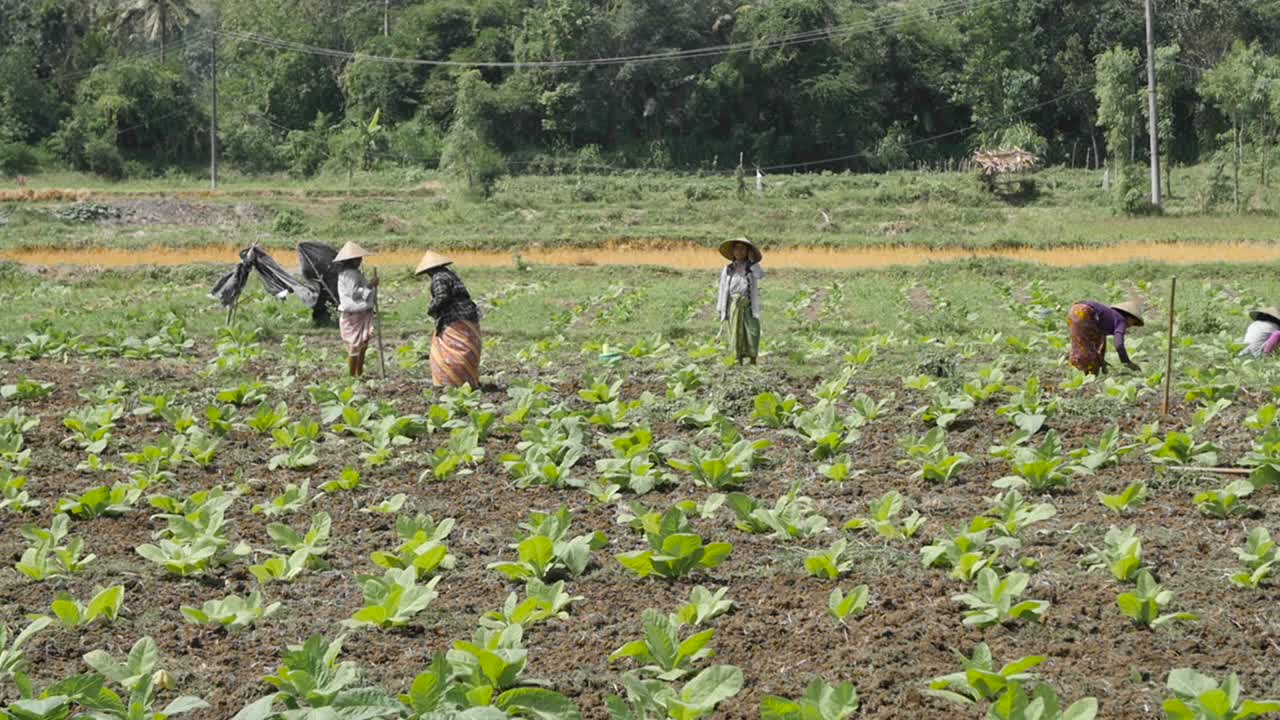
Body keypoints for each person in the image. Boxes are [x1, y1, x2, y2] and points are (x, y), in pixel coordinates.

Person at [416, 251, 482, 387]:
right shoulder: (450, 274)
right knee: (466, 347)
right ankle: (467, 380)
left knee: (452, 351)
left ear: (430, 270)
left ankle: (451, 381)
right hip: (469, 314)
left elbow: (442, 297)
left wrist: (431, 308)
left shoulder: (438, 277)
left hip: (454, 317)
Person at [716, 237, 765, 364]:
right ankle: (738, 359)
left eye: (743, 249)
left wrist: (752, 263)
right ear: (733, 251)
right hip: (734, 305)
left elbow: (760, 275)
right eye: (737, 248)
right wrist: (720, 308)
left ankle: (753, 359)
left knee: (752, 331)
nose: (739, 251)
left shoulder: (752, 268)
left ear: (748, 251)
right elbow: (722, 288)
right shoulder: (728, 269)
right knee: (735, 332)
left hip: (748, 305)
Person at [334, 242, 378, 377]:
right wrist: (370, 285)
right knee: (355, 345)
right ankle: (353, 376)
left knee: (362, 344)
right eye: (358, 259)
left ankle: (359, 374)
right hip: (354, 313)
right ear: (351, 260)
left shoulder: (352, 273)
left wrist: (369, 285)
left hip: (360, 312)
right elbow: (354, 293)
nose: (360, 261)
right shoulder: (350, 274)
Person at [1067, 299, 1143, 374]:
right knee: (1084, 348)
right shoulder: (1121, 320)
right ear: (1130, 317)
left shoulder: (1109, 317)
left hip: (1074, 310)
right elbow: (1119, 345)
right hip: (1085, 312)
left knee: (1079, 344)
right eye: (1134, 323)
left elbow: (1100, 342)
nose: (1131, 326)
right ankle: (1085, 373)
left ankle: (1074, 370)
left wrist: (1101, 361)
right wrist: (1127, 362)